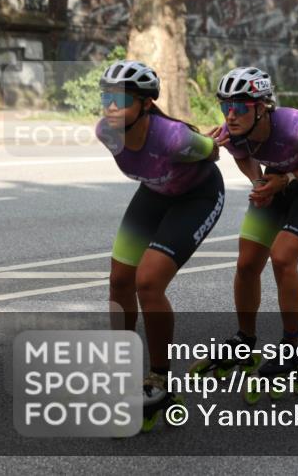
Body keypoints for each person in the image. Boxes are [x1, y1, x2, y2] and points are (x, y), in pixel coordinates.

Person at [97, 60, 225, 430]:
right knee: (119, 279)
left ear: (146, 104)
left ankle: (160, 380)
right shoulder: (106, 132)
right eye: (106, 97)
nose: (110, 106)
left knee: (148, 283)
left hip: (196, 197)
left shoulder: (173, 138)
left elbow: (210, 151)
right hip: (154, 193)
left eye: (121, 99)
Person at [204, 67, 298, 394]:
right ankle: (246, 339)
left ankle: (290, 348)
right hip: (277, 179)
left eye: (239, 106)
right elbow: (243, 157)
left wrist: (287, 180)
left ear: (262, 106)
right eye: (225, 106)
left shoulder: (295, 127)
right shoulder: (233, 131)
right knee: (246, 262)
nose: (230, 114)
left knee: (282, 258)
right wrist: (259, 182)